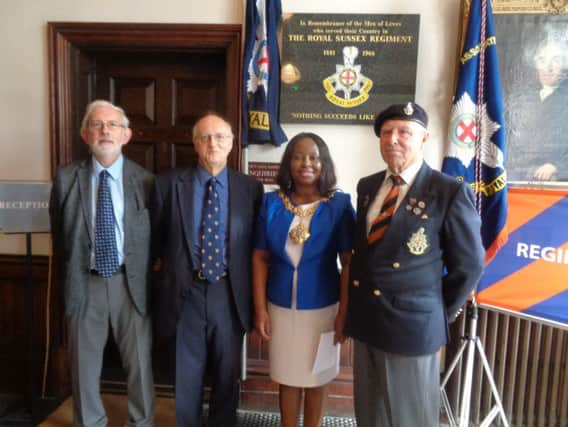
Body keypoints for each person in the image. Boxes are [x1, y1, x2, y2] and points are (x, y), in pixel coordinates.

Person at [345, 102, 485, 427]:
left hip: (412, 329)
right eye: (386, 132)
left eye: (404, 132)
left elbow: (470, 265)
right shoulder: (367, 186)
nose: (393, 139)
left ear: (424, 138)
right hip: (367, 322)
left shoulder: (448, 191)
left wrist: (435, 310)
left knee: (411, 420)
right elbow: (366, 254)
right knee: (369, 416)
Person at [151, 112, 264, 426]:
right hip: (184, 294)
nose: (213, 143)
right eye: (205, 137)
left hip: (229, 293)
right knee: (185, 377)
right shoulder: (168, 184)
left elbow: (257, 245)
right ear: (194, 143)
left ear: (231, 144)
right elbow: (155, 240)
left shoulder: (250, 188)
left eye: (220, 137)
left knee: (227, 378)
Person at [49, 100, 155, 426]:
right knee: (83, 365)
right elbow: (59, 232)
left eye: (112, 125)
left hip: (130, 282)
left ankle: (141, 422)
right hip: (84, 282)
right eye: (97, 124)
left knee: (139, 363)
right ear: (85, 134)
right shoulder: (66, 178)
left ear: (126, 135)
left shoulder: (147, 180)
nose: (105, 130)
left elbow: (158, 234)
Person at [252, 132, 355, 427]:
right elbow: (259, 257)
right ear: (288, 163)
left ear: (323, 163)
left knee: (318, 377)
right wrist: (260, 309)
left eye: (313, 156)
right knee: (287, 376)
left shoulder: (339, 205)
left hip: (324, 307)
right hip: (281, 307)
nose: (305, 163)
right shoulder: (270, 203)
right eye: (297, 156)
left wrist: (344, 314)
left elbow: (348, 263)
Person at [506, 33, 568, 181]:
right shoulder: (521, 98)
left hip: (554, 176)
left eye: (556, 61)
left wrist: (556, 166)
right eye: (542, 60)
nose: (549, 68)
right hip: (517, 171)